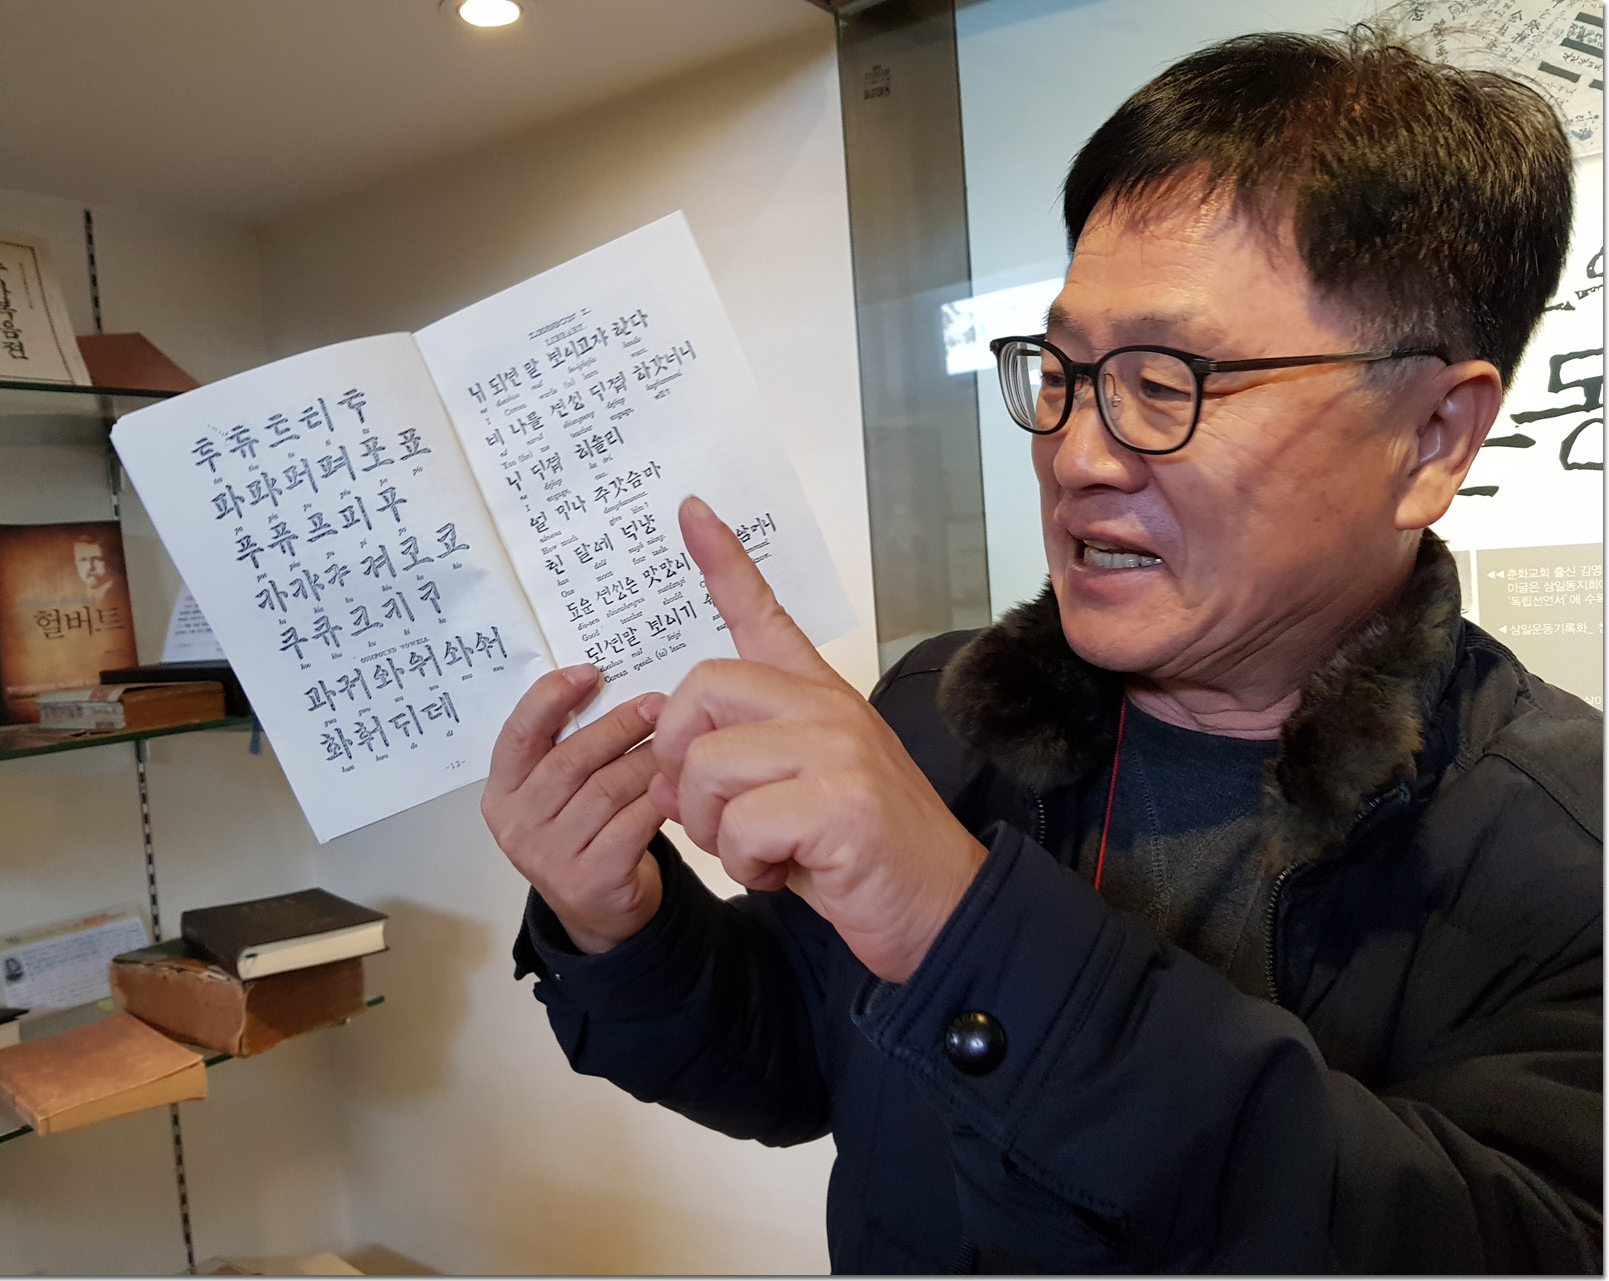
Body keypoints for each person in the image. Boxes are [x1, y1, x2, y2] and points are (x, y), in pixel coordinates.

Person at [484, 27, 1601, 1273]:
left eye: (1167, 381)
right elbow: (799, 1053)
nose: (1074, 454)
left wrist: (957, 929)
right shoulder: (943, 711)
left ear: (1433, 435)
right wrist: (620, 925)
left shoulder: (1561, 854)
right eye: (1062, 371)